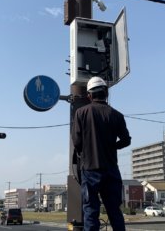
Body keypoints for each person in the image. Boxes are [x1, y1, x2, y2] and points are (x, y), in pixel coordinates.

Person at [72, 76, 131, 231]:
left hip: (90, 170)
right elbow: (126, 140)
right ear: (106, 93)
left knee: (90, 211)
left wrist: (85, 153)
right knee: (114, 212)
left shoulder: (81, 113)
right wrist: (112, 146)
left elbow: (77, 142)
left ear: (89, 95)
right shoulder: (117, 115)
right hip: (111, 170)